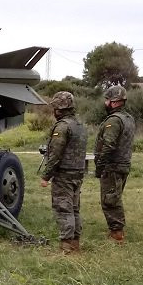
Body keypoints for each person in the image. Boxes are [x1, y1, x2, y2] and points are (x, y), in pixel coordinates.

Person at [40, 91, 88, 252]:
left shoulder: (62, 126)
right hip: (78, 172)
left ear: (59, 109)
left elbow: (56, 154)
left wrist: (46, 176)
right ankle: (75, 243)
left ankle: (66, 246)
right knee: (74, 208)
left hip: (64, 174)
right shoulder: (79, 125)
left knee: (63, 208)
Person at [94, 85, 135, 243]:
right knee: (115, 197)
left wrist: (100, 166)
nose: (105, 102)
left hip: (112, 166)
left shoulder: (114, 120)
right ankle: (116, 230)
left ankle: (117, 234)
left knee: (110, 200)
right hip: (124, 164)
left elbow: (108, 146)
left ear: (115, 102)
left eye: (107, 99)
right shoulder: (129, 118)